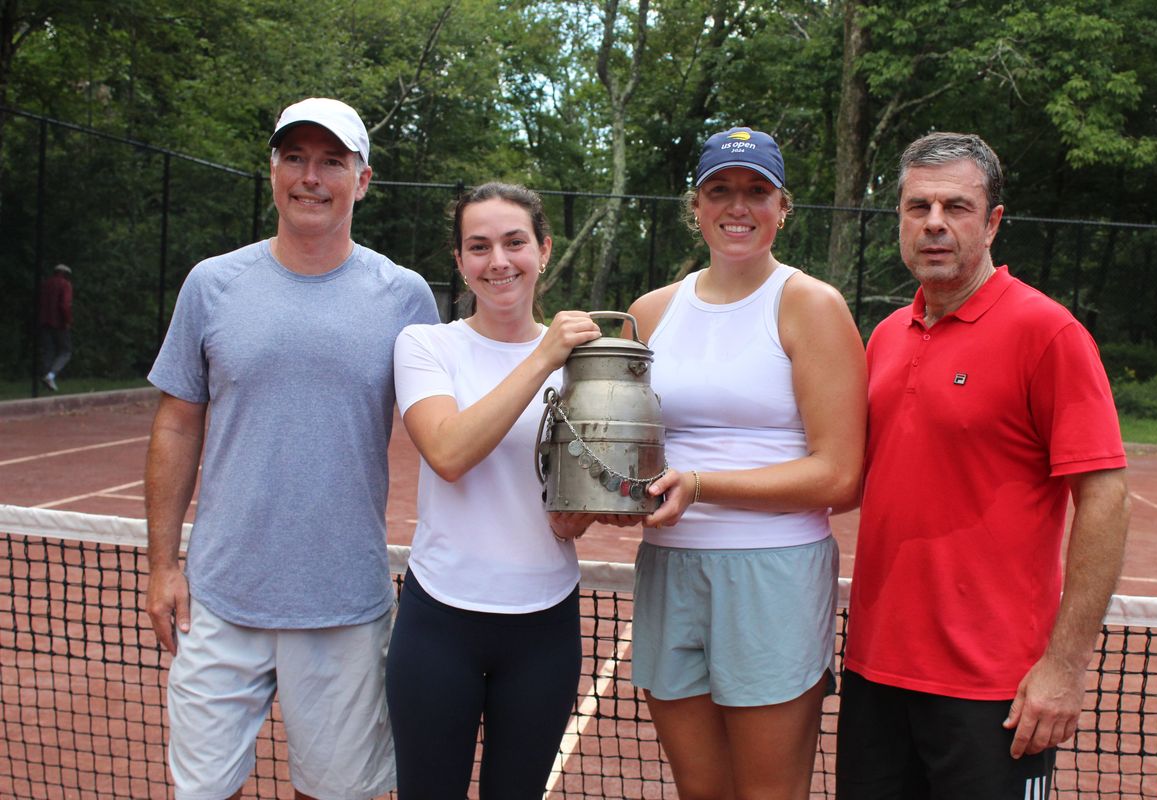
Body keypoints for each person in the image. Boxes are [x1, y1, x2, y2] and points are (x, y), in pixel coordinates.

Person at [143, 97, 439, 800]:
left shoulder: (405, 297)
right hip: (216, 601)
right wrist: (161, 567)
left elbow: (446, 435)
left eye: (332, 161)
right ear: (272, 170)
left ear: (362, 180)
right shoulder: (211, 285)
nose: (312, 176)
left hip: (345, 605)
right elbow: (177, 423)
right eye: (295, 157)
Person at [836, 132, 1131, 799]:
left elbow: (1106, 500)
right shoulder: (883, 337)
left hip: (994, 691)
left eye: (956, 207)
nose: (935, 223)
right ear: (901, 223)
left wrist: (1063, 667)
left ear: (993, 220)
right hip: (876, 678)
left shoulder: (1048, 334)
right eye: (918, 207)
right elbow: (842, 479)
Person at [624, 127, 868, 799]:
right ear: (695, 207)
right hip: (669, 569)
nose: (739, 206)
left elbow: (842, 476)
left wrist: (700, 486)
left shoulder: (812, 306)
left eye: (757, 191)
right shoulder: (649, 313)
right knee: (702, 792)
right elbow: (626, 451)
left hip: (773, 573)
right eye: (720, 191)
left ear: (783, 207)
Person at [386, 182, 635, 798]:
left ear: (544, 250)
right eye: (479, 246)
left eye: (515, 242)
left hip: (544, 625)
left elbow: (581, 488)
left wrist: (585, 512)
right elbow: (448, 452)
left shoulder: (584, 360)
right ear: (460, 262)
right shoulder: (426, 345)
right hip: (439, 620)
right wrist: (543, 356)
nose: (498, 261)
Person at [38, 263, 73, 391]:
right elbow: (65, 305)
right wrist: (67, 320)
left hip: (44, 321)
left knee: (48, 351)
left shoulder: (46, 284)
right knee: (66, 351)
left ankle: (46, 380)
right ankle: (51, 375)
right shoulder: (65, 284)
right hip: (59, 323)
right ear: (65, 274)